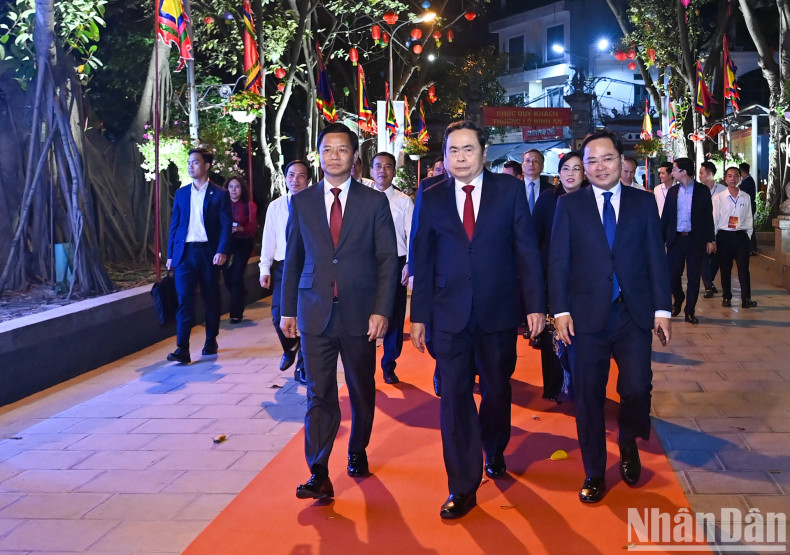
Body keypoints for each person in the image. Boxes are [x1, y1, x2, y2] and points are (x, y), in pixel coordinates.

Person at [410, 120, 545, 519]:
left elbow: (527, 252)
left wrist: (535, 305)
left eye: (468, 149)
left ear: (484, 152)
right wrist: (418, 316)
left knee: (497, 390)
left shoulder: (509, 190)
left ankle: (495, 446)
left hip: (497, 311)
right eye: (453, 151)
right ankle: (462, 486)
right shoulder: (430, 194)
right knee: (453, 399)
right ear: (445, 155)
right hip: (448, 314)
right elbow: (422, 255)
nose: (461, 158)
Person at [549, 129, 672, 504]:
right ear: (583, 168)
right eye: (592, 161)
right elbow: (558, 262)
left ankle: (629, 437)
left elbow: (656, 256)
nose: (600, 166)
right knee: (588, 397)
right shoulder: (570, 206)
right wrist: (561, 311)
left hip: (632, 314)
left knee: (636, 387)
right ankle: (594, 471)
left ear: (622, 161)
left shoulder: (643, 202)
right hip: (585, 318)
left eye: (607, 158)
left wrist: (662, 309)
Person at [281, 123, 398, 501]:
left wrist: (382, 310)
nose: (335, 156)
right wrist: (287, 310)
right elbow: (294, 259)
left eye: (342, 149)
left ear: (354, 157)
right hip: (314, 312)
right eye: (328, 149)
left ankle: (357, 449)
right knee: (319, 393)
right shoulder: (301, 202)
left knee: (362, 389)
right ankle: (318, 470)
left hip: (360, 314)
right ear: (319, 156)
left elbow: (386, 261)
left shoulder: (373, 202)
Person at [166, 148, 233, 364]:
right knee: (184, 300)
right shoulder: (181, 193)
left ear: (206, 166)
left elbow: (225, 225)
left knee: (210, 297)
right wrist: (170, 255)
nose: (190, 166)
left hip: (208, 253)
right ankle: (182, 348)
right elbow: (174, 225)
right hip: (185, 254)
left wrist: (222, 250)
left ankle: (210, 339)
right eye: (188, 162)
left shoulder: (220, 194)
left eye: (195, 162)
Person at [532, 151, 587, 400]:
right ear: (558, 174)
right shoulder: (547, 200)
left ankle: (580, 384)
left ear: (584, 173)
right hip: (552, 276)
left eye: (576, 169)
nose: (570, 174)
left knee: (582, 333)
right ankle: (555, 386)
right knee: (553, 333)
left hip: (585, 278)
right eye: (566, 168)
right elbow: (534, 238)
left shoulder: (592, 199)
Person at [259, 160, 309, 384]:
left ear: (308, 179)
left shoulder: (316, 205)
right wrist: (264, 267)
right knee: (279, 313)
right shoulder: (276, 206)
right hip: (283, 267)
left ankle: (303, 366)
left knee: (307, 316)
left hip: (309, 267)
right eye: (291, 175)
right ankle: (290, 347)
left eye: (300, 176)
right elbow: (268, 238)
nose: (295, 180)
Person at [368, 152, 413, 384]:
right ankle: (365, 366)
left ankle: (389, 364)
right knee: (364, 314)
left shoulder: (404, 201)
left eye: (387, 167)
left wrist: (409, 265)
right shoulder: (361, 199)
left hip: (394, 264)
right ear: (371, 170)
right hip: (365, 264)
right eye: (378, 166)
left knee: (393, 315)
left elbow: (411, 236)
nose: (382, 171)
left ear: (394, 171)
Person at [660, 157, 715, 325]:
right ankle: (679, 298)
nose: (672, 173)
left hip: (695, 240)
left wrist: (710, 239)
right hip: (676, 240)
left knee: (693, 277)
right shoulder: (673, 191)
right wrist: (659, 240)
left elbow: (708, 217)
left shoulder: (702, 191)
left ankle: (689, 311)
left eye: (674, 170)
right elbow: (666, 218)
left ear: (683, 172)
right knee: (671, 276)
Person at [714, 167, 758, 309]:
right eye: (729, 176)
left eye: (735, 176)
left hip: (741, 236)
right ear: (725, 178)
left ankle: (746, 299)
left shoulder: (745, 196)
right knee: (725, 268)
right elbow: (715, 219)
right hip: (724, 236)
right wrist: (713, 240)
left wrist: (748, 236)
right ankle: (727, 297)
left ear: (739, 178)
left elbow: (749, 218)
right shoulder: (718, 198)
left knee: (743, 269)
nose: (733, 179)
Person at [221, 175, 258, 324]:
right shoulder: (222, 204)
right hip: (227, 241)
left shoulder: (250, 205)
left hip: (243, 241)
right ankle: (241, 293)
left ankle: (236, 313)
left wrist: (240, 228)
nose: (234, 190)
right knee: (227, 274)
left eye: (237, 187)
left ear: (242, 189)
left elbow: (253, 227)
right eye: (231, 187)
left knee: (237, 275)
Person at [698, 161, 725, 299]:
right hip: (702, 230)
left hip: (719, 230)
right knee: (703, 258)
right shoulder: (699, 190)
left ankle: (710, 281)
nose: (699, 175)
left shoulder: (722, 190)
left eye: (701, 173)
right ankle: (708, 286)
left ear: (710, 174)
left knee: (716, 259)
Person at [522, 148, 553, 214]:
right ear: (522, 166)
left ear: (542, 166)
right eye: (527, 160)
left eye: (535, 161)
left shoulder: (551, 190)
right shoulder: (514, 189)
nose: (531, 164)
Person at [739, 162, 759, 255]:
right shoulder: (749, 180)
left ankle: (752, 248)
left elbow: (743, 195)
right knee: (749, 226)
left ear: (741, 171)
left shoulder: (747, 181)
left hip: (748, 207)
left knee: (749, 227)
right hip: (750, 206)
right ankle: (752, 248)